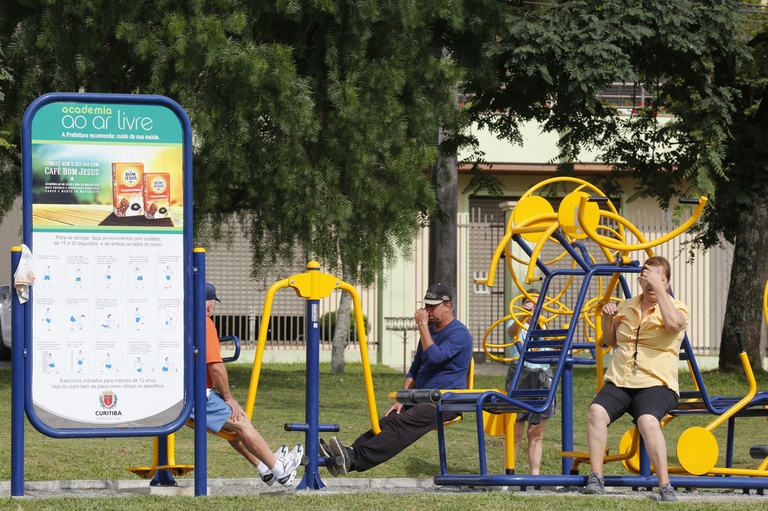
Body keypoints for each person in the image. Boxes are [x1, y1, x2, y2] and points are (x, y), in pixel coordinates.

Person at [324, 283, 473, 476]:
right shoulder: (429, 332)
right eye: (425, 306)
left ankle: (355, 459)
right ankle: (349, 453)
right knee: (388, 420)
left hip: (446, 401)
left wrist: (422, 326)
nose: (427, 311)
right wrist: (402, 399)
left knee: (401, 424)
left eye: (432, 306)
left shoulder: (458, 333)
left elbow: (436, 356)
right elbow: (415, 369)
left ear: (448, 306)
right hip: (424, 397)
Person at [583, 256, 688, 502]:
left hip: (657, 383)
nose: (652, 285)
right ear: (640, 280)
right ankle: (596, 477)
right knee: (596, 411)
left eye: (659, 279)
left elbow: (673, 326)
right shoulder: (627, 305)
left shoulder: (677, 307)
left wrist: (660, 289)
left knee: (648, 421)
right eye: (648, 279)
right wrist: (608, 319)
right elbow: (611, 341)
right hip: (621, 381)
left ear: (667, 282)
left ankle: (664, 485)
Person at [190, 282, 304, 486]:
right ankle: (281, 469)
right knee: (240, 419)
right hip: (195, 394)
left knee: (232, 429)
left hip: (180, 392)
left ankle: (264, 469)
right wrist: (229, 399)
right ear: (209, 306)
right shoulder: (204, 324)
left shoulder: (183, 321)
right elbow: (215, 366)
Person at [504, 291, 555, 475]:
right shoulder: (517, 323)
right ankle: (508, 473)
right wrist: (524, 314)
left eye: (536, 302)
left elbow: (552, 353)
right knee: (515, 433)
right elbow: (512, 332)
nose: (532, 305)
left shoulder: (545, 327)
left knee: (537, 433)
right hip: (520, 376)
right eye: (528, 302)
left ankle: (535, 476)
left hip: (542, 377)